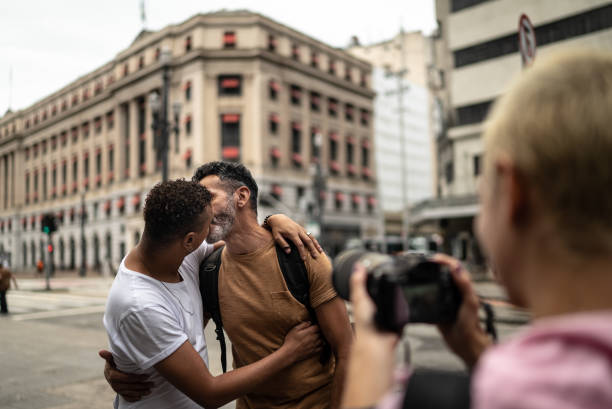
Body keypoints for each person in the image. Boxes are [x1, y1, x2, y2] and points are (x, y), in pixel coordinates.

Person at [341, 49, 612, 409]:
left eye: (484, 198)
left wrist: (371, 345)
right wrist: (476, 348)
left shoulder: (490, 395)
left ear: (514, 192)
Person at [108, 162, 353, 409]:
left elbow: (347, 351)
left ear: (242, 196)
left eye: (209, 198)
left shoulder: (302, 256)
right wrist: (126, 362)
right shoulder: (206, 265)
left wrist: (275, 218)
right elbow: (186, 352)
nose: (199, 209)